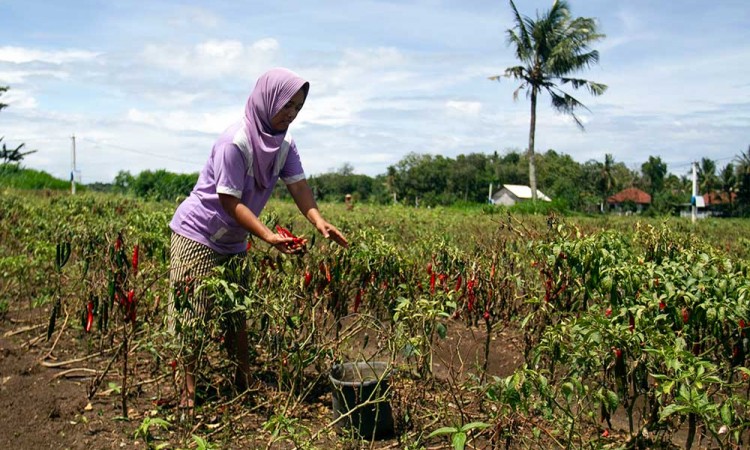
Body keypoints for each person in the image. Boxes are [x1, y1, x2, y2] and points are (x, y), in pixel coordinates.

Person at [168, 67, 348, 411]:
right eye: (287, 105)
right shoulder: (234, 142)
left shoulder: (285, 145)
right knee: (192, 313)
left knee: (236, 314)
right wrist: (267, 236)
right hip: (198, 234)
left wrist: (319, 221)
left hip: (233, 239)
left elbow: (299, 187)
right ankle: (187, 393)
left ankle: (243, 381)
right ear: (268, 100)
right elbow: (228, 201)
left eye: (298, 107)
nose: (291, 114)